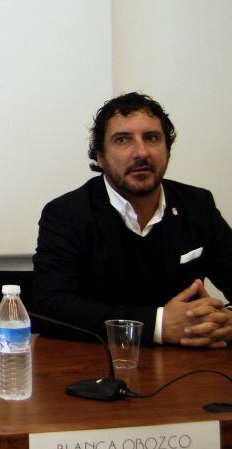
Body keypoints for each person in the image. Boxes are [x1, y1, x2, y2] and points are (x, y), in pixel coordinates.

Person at [32, 92, 232, 347]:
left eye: (151, 138)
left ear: (167, 150)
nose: (141, 152)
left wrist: (225, 323)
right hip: (99, 367)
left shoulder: (197, 205)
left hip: (190, 366)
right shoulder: (67, 214)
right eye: (123, 140)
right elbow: (50, 306)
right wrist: (158, 325)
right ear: (100, 156)